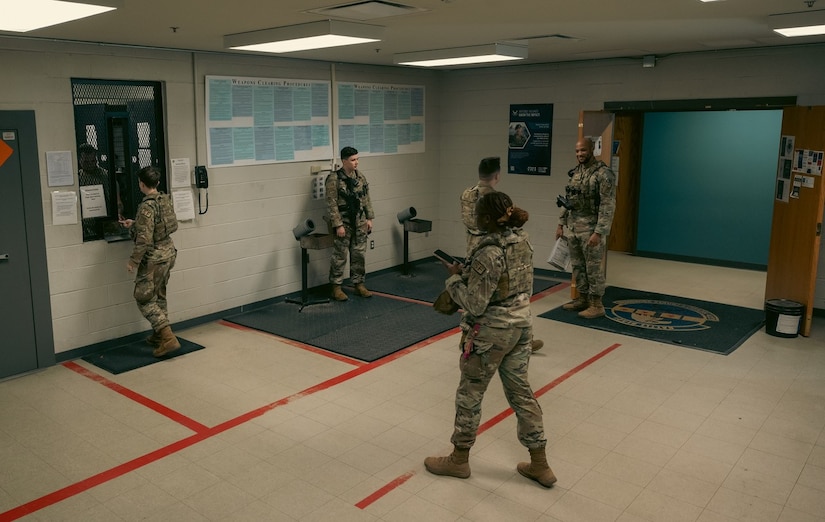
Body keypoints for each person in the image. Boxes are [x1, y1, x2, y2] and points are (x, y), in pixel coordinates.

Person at [425, 191, 556, 488]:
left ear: (485, 219)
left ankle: (459, 460)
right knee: (521, 393)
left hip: (491, 333)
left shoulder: (489, 250)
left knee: (470, 395)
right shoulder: (522, 240)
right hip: (521, 327)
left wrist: (454, 279)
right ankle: (540, 464)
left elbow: (475, 304)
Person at [460, 156, 544, 353]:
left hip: (472, 249)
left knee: (473, 294)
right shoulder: (496, 200)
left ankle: (467, 334)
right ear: (497, 176)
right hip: (494, 250)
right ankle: (522, 338)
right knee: (508, 294)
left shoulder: (466, 194)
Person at [120, 166, 180, 357]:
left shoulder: (146, 206)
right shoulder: (164, 200)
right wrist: (135, 223)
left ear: (142, 184)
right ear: (158, 183)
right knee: (159, 294)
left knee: (144, 298)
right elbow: (159, 225)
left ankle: (168, 337)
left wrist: (133, 261)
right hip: (168, 253)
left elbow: (144, 240)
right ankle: (158, 335)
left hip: (153, 259)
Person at [555, 137, 617, 319]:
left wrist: (599, 232)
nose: (580, 154)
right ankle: (582, 299)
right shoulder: (575, 173)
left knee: (593, 268)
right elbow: (567, 201)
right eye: (577, 151)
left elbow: (608, 205)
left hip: (591, 230)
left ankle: (597, 304)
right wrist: (560, 224)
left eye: (583, 150)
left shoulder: (603, 174)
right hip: (574, 228)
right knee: (578, 266)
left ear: (592, 150)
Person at [326, 146, 375, 301]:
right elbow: (331, 204)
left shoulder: (360, 177)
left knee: (359, 254)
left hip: (359, 221)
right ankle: (336, 287)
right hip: (344, 222)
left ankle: (359, 284)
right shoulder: (334, 179)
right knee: (340, 256)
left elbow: (366, 198)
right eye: (353, 160)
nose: (356, 163)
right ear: (344, 161)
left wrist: (369, 218)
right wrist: (337, 224)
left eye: (357, 159)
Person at [78, 143, 123, 239]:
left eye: (93, 161)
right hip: (84, 226)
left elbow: (118, 202)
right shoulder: (77, 178)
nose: (90, 164)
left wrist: (117, 214)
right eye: (86, 162)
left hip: (105, 224)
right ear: (79, 160)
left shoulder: (106, 176)